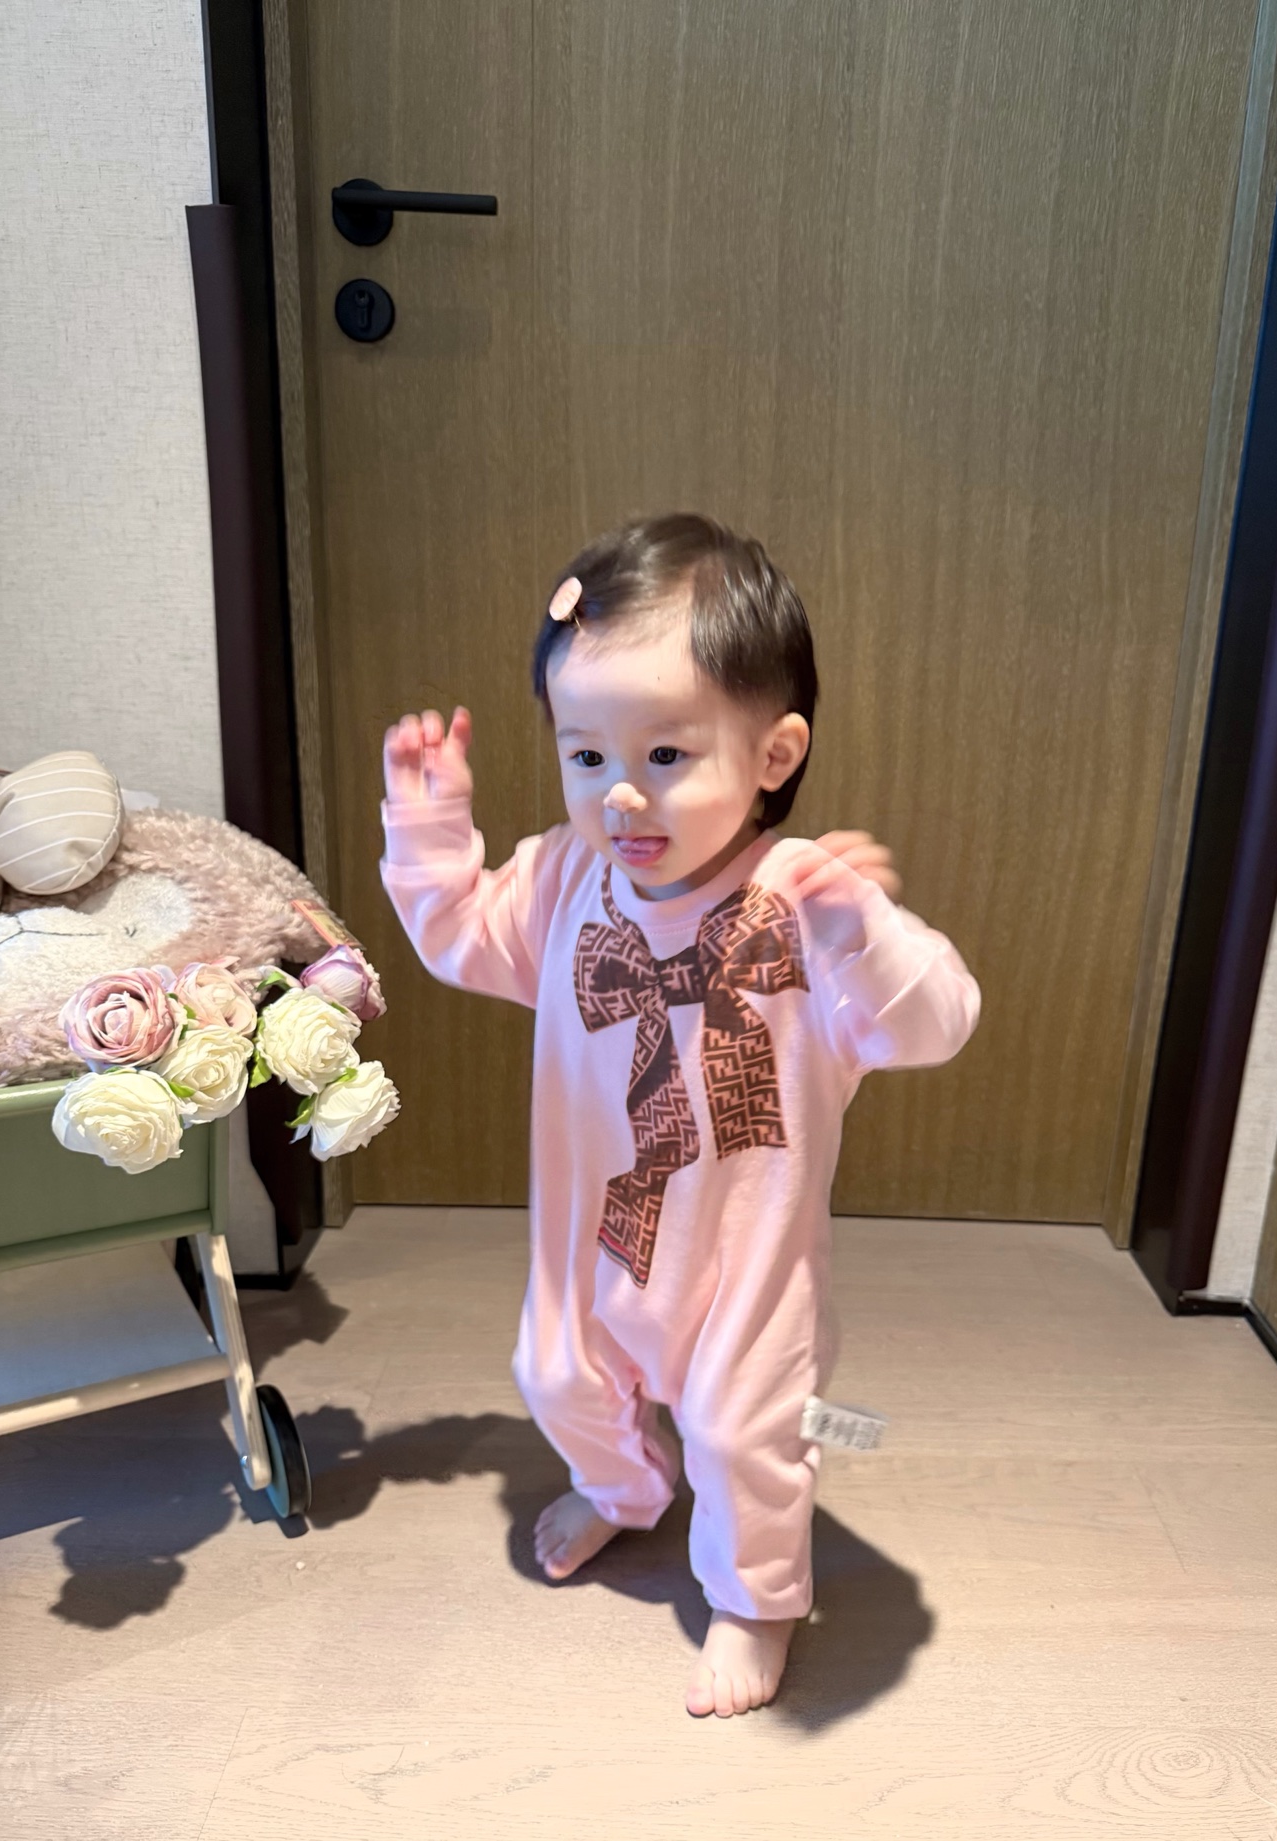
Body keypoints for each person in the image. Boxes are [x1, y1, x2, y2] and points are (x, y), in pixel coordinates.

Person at [380, 513, 980, 1717]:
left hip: (747, 1261)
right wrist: (431, 828)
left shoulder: (805, 901)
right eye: (585, 754)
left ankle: (758, 1600)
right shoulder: (564, 879)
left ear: (773, 754)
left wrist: (863, 936)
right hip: (597, 1238)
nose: (620, 794)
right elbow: (458, 935)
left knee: (743, 1430)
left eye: (666, 752)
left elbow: (938, 1020)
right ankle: (624, 1487)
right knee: (555, 1374)